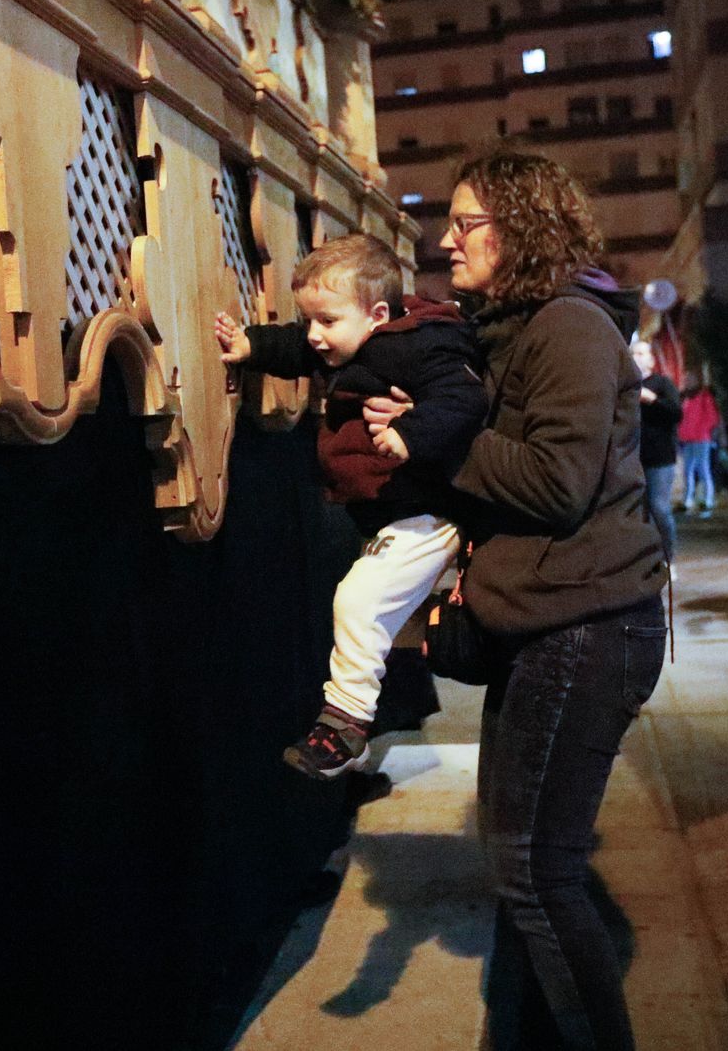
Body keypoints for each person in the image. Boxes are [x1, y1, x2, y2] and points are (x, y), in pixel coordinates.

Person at [366, 149, 666, 1050]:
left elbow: (556, 482)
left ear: (521, 228)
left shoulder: (569, 326)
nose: (444, 241)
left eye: (466, 224)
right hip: (551, 625)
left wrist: (430, 445)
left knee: (539, 874)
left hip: (585, 625)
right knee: (523, 869)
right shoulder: (510, 328)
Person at [213, 234, 487, 779]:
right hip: (397, 514)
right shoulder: (361, 340)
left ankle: (346, 724)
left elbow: (464, 397)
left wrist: (410, 433)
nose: (316, 334)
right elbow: (298, 346)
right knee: (366, 609)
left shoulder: (415, 344)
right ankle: (353, 728)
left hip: (427, 515)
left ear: (377, 313)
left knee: (359, 602)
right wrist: (250, 346)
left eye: (327, 321)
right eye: (310, 319)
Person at [631, 339, 682, 560]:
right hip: (632, 458)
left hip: (659, 458)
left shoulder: (661, 384)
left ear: (651, 360)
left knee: (659, 508)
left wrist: (651, 400)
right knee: (636, 512)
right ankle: (643, 560)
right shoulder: (625, 387)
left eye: (642, 353)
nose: (636, 357)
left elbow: (676, 413)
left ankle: (667, 558)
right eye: (633, 353)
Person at [676, 371, 722, 518]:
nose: (686, 382)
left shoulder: (704, 396)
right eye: (685, 379)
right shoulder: (683, 397)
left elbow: (712, 417)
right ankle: (687, 499)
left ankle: (707, 499)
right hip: (687, 439)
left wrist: (700, 430)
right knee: (687, 470)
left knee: (703, 469)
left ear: (696, 381)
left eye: (689, 379)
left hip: (701, 439)